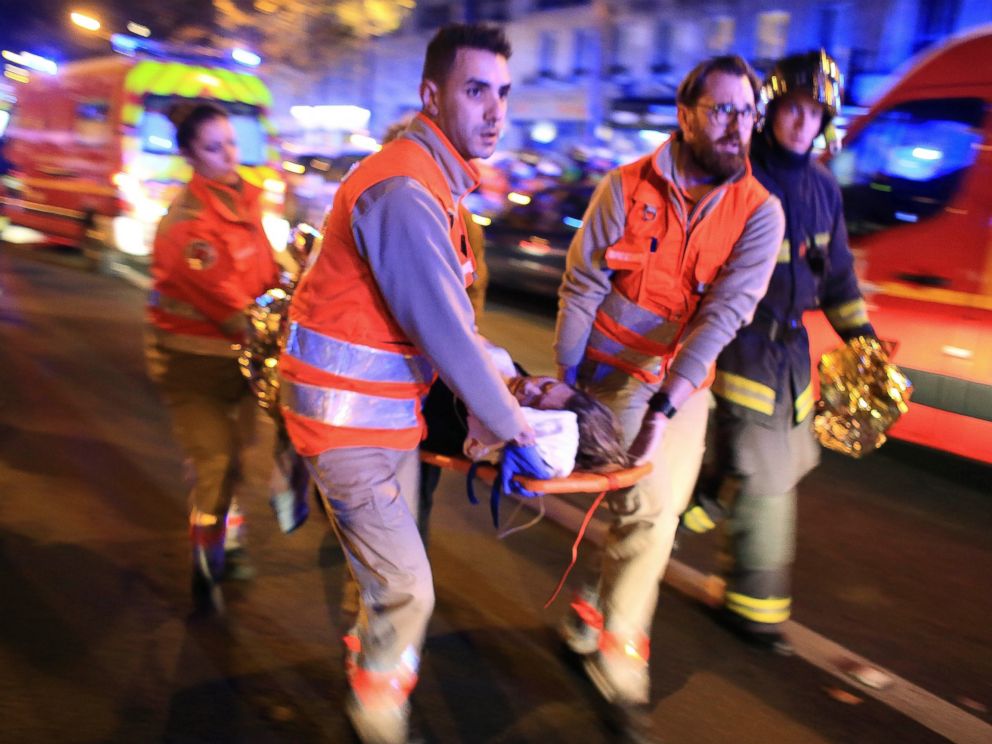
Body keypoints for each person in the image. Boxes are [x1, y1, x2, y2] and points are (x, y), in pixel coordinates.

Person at [277, 24, 551, 744]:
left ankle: (372, 672)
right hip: (346, 429)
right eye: (475, 90)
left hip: (383, 420)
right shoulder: (405, 189)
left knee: (386, 580)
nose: (495, 110)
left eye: (503, 93)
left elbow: (451, 323)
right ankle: (376, 712)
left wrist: (514, 379)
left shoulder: (435, 184)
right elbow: (444, 332)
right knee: (408, 588)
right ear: (432, 95)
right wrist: (512, 426)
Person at [554, 55, 785, 738]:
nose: (738, 126)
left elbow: (724, 315)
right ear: (685, 116)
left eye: (748, 113)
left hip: (675, 385)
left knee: (655, 511)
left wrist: (665, 406)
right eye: (722, 110)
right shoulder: (623, 188)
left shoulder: (759, 214)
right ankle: (593, 603)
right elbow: (582, 287)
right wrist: (564, 388)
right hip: (601, 377)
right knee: (628, 505)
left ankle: (620, 658)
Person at [683, 51, 875, 654]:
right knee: (766, 477)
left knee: (774, 465)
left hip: (790, 357)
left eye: (814, 112)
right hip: (739, 349)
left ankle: (671, 520)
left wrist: (863, 343)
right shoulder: (739, 175)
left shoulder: (822, 188)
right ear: (770, 111)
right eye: (793, 108)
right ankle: (754, 609)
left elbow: (837, 277)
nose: (802, 122)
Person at [144, 102, 283, 615]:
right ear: (190, 155)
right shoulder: (188, 224)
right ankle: (208, 560)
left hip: (241, 363)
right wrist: (280, 322)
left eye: (230, 141)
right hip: (191, 365)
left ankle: (227, 524)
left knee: (240, 452)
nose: (229, 154)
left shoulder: (246, 203)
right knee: (216, 460)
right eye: (213, 146)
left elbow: (267, 272)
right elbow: (228, 304)